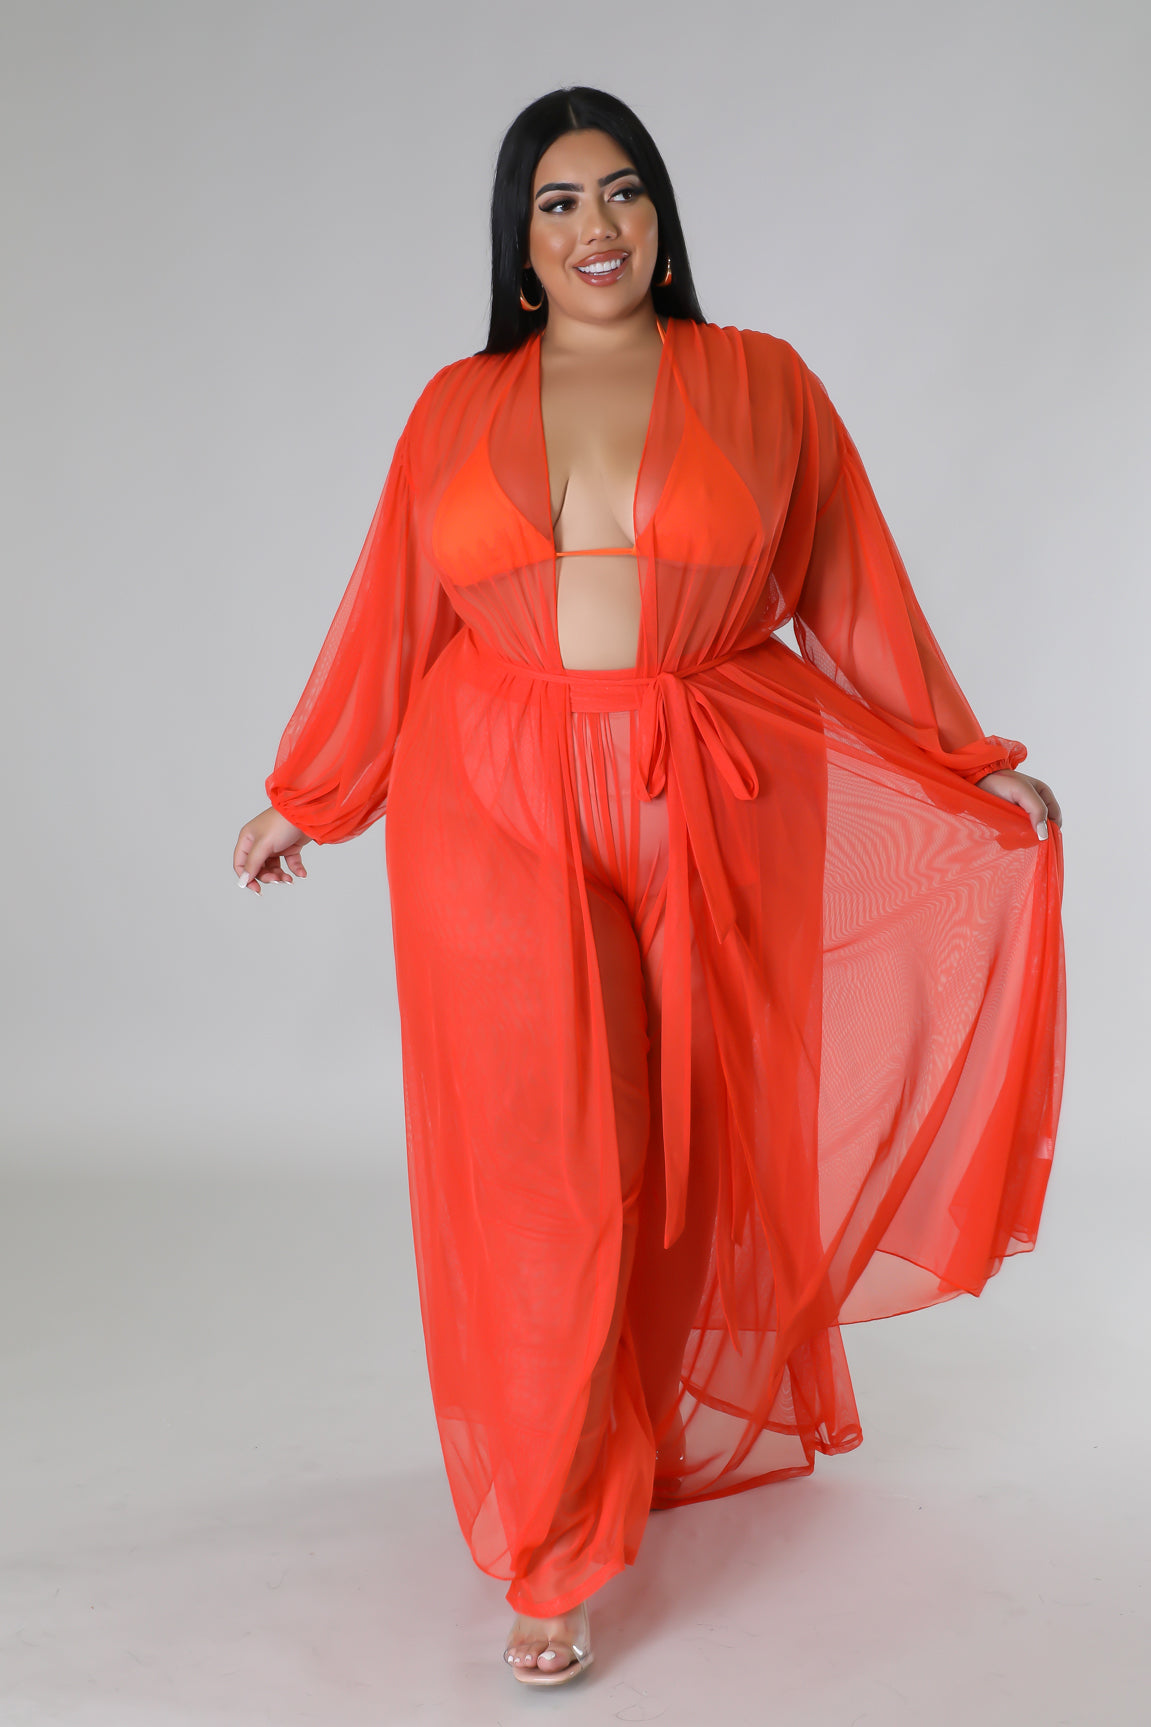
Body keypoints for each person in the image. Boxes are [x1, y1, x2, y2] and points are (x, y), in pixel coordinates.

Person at [232, 87, 1066, 1688]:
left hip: (713, 789)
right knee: (549, 1172)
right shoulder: (456, 405)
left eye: (621, 192)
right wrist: (310, 794)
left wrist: (963, 760)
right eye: (557, 204)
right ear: (520, 245)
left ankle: (637, 1434)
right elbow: (397, 610)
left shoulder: (763, 384)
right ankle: (553, 1545)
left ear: (663, 219)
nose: (596, 226)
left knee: (683, 1157)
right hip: (492, 799)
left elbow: (851, 590)